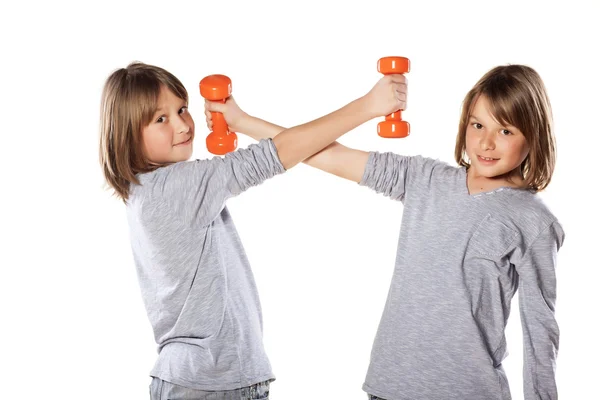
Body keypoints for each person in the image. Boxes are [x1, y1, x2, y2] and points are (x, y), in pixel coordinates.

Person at [207, 64, 564, 400]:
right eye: (477, 125)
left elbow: (540, 331)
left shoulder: (532, 221)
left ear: (533, 135)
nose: (487, 143)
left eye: (505, 130)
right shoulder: (426, 179)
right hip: (389, 384)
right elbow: (326, 154)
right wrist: (241, 121)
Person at [98, 61, 406, 399]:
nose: (183, 125)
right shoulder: (176, 187)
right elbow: (274, 156)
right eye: (161, 119)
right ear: (127, 134)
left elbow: (280, 151)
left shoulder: (150, 189)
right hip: (211, 382)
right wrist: (368, 106)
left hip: (206, 379)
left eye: (182, 109)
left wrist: (241, 122)